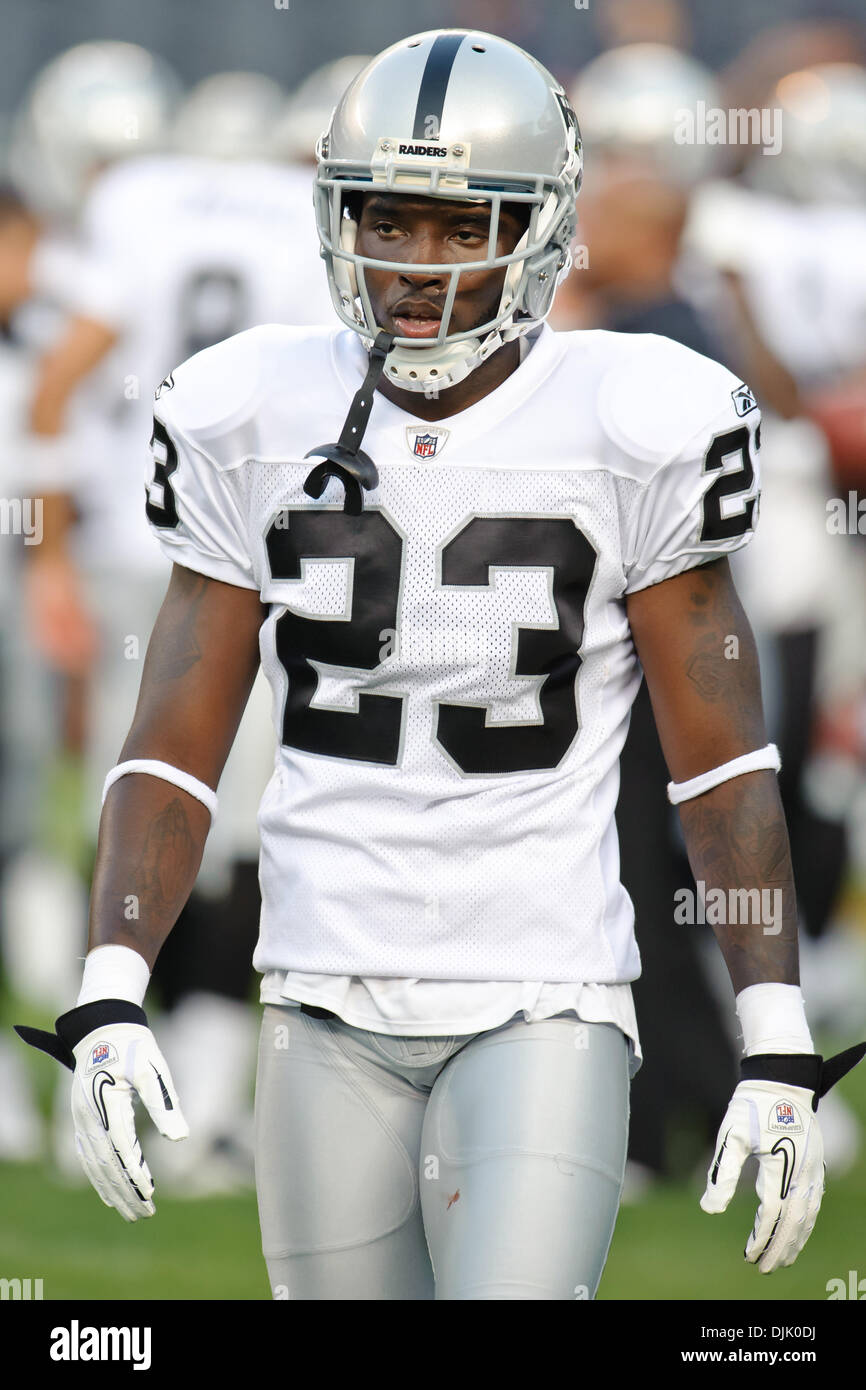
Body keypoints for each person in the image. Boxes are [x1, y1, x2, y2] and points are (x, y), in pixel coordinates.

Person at [16, 28, 864, 1301]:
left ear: (538, 229)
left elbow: (720, 768)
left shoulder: (639, 417)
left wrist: (776, 1035)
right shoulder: (245, 407)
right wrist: (107, 987)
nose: (411, 264)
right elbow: (174, 743)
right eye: (382, 219)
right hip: (314, 988)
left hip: (544, 988)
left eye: (459, 225)